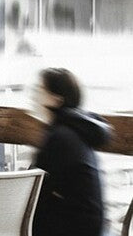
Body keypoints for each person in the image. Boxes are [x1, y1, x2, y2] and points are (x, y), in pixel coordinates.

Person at [31, 67, 112, 236]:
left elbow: (32, 188)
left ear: (56, 99)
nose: (33, 97)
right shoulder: (74, 131)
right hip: (92, 226)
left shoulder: (60, 137)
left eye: (39, 90)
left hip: (74, 228)